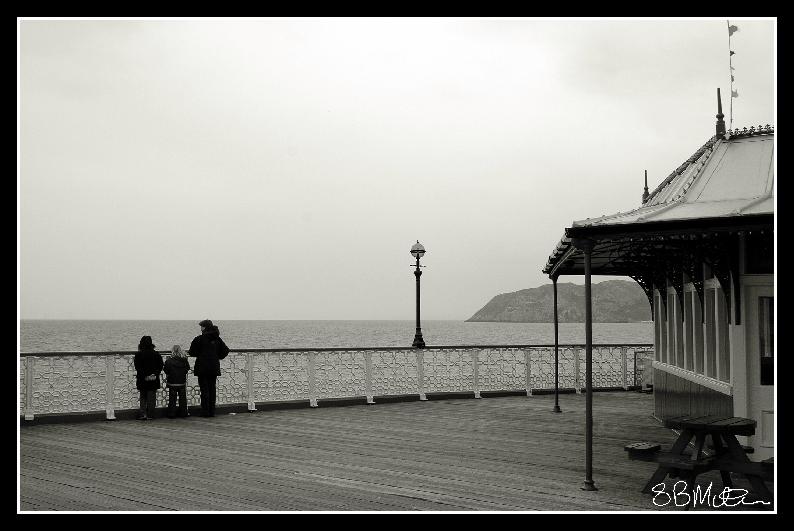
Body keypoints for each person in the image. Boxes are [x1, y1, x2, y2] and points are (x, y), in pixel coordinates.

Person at [188, 319, 229, 417]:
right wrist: (216, 356)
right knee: (212, 389)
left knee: (204, 390)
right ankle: (212, 411)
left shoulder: (199, 339)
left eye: (201, 326)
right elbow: (225, 351)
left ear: (205, 327)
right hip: (214, 367)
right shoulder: (217, 338)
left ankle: (205, 411)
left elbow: (192, 352)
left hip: (202, 367)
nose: (201, 328)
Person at [134, 335, 164, 420]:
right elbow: (160, 365)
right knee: (151, 397)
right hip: (153, 379)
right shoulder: (156, 354)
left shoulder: (138, 354)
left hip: (142, 379)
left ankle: (143, 414)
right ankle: (151, 414)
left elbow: (138, 367)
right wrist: (154, 374)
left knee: (143, 396)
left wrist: (145, 376)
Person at [164, 345, 191, 418]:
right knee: (182, 399)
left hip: (172, 382)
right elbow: (187, 368)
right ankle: (183, 413)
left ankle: (171, 413)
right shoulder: (184, 360)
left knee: (172, 399)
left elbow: (166, 370)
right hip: (182, 382)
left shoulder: (169, 361)